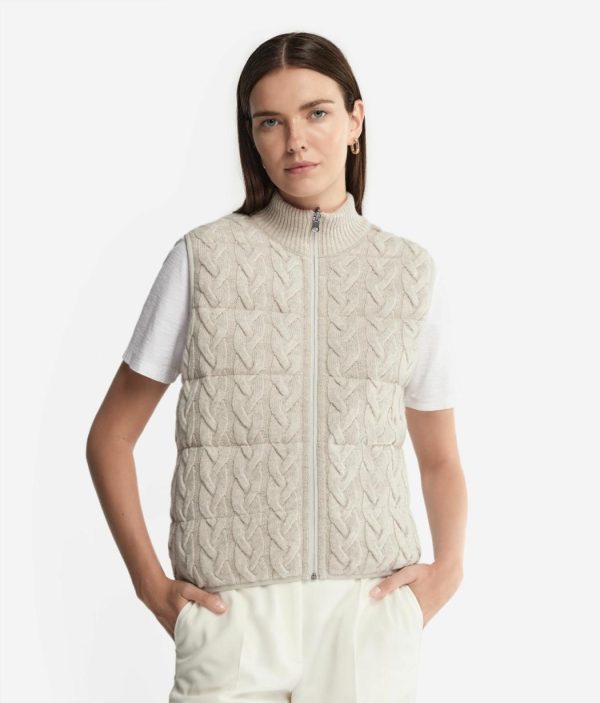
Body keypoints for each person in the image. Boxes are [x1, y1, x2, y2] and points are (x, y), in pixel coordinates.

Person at [86, 31, 467, 703]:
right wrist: (151, 586)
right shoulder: (202, 259)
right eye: (271, 121)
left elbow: (439, 458)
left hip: (367, 613)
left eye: (317, 113)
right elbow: (110, 436)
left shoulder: (409, 272)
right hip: (231, 618)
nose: (296, 140)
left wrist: (448, 573)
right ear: (253, 138)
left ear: (355, 120)